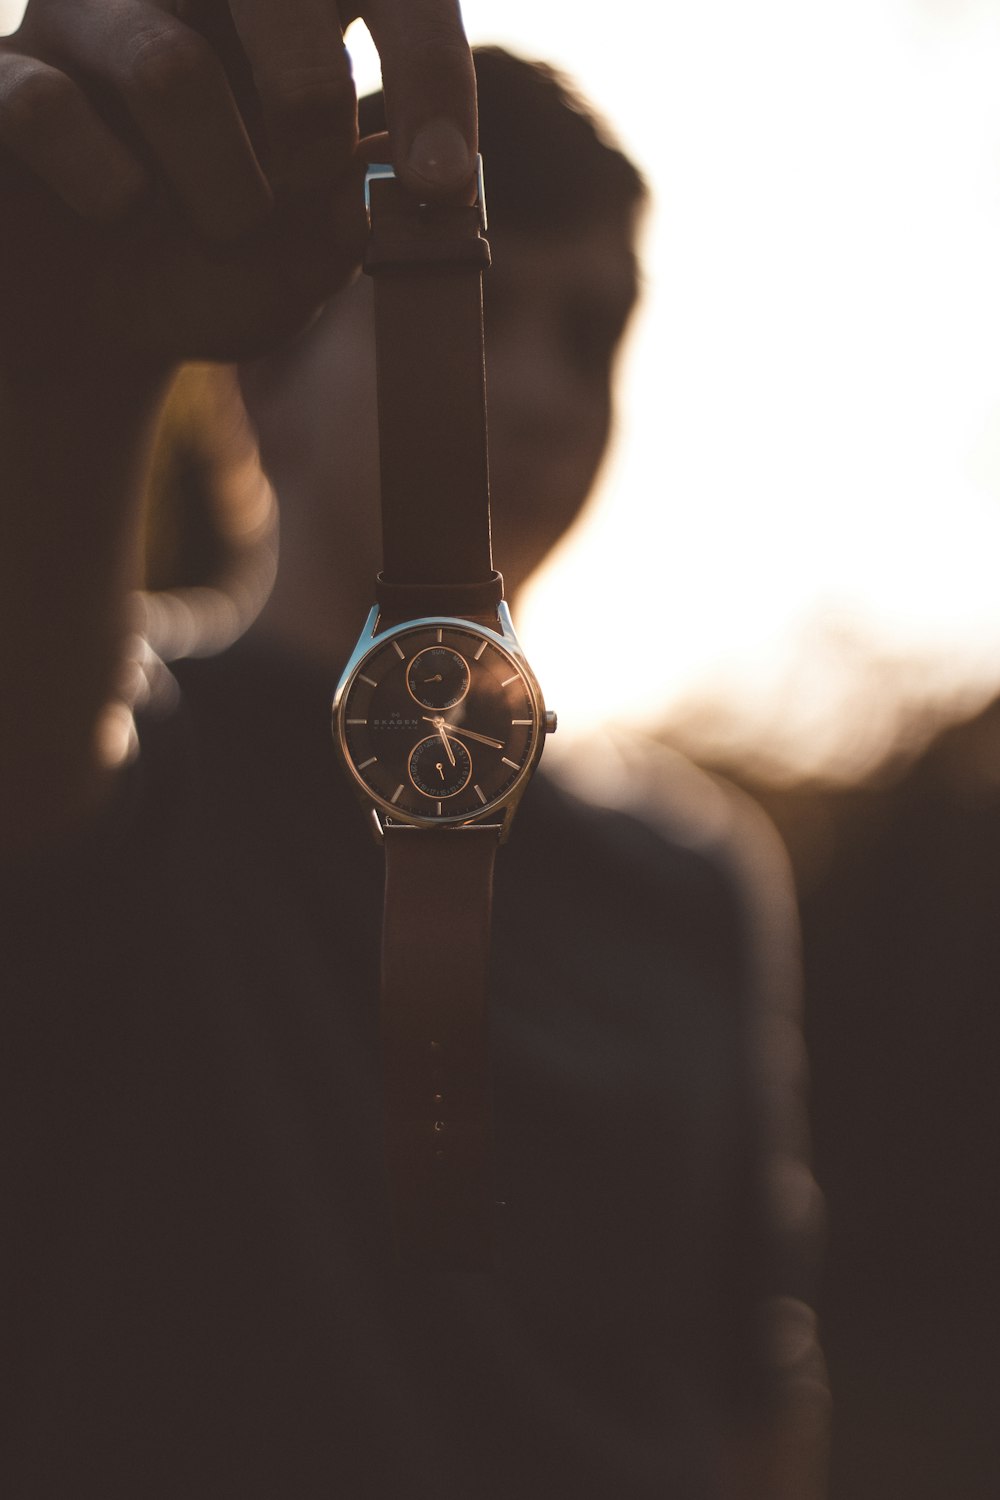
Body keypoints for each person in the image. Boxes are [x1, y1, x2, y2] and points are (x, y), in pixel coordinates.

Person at [0, 7, 826, 1496]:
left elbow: (750, 1382)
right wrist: (70, 367)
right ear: (258, 379)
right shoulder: (118, 739)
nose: (547, 392)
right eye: (465, 309)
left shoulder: (700, 872)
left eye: (596, 331)